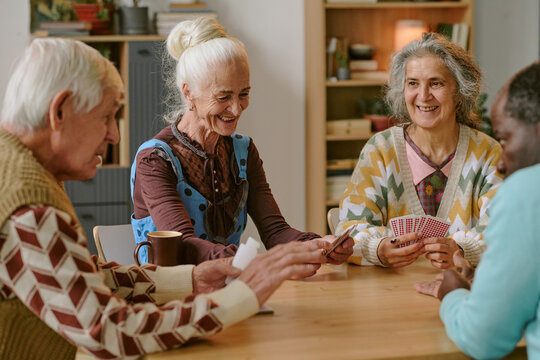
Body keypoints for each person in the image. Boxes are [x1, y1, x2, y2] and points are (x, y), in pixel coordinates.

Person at [0, 38, 332, 359]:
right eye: (106, 117)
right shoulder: (29, 205)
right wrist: (240, 298)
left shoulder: (18, 170)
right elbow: (115, 333)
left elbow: (88, 276)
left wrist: (189, 279)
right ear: (60, 111)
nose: (114, 134)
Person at [131, 17, 353, 265]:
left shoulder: (243, 150)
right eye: (223, 96)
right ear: (188, 92)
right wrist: (260, 261)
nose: (236, 109)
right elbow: (184, 246)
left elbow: (275, 231)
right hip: (167, 294)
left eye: (244, 94)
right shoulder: (154, 159)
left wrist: (315, 245)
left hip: (227, 285)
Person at [337, 33, 503, 269]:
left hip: (463, 291)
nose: (423, 96)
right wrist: (378, 249)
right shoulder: (380, 150)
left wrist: (464, 249)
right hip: (389, 293)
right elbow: (349, 227)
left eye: (436, 83)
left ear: (459, 93)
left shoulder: (488, 153)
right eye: (413, 83)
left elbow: (505, 229)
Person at [414, 61, 540, 359]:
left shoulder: (526, 191)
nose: (501, 162)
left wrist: (453, 295)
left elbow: (483, 339)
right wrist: (493, 284)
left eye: (506, 138)